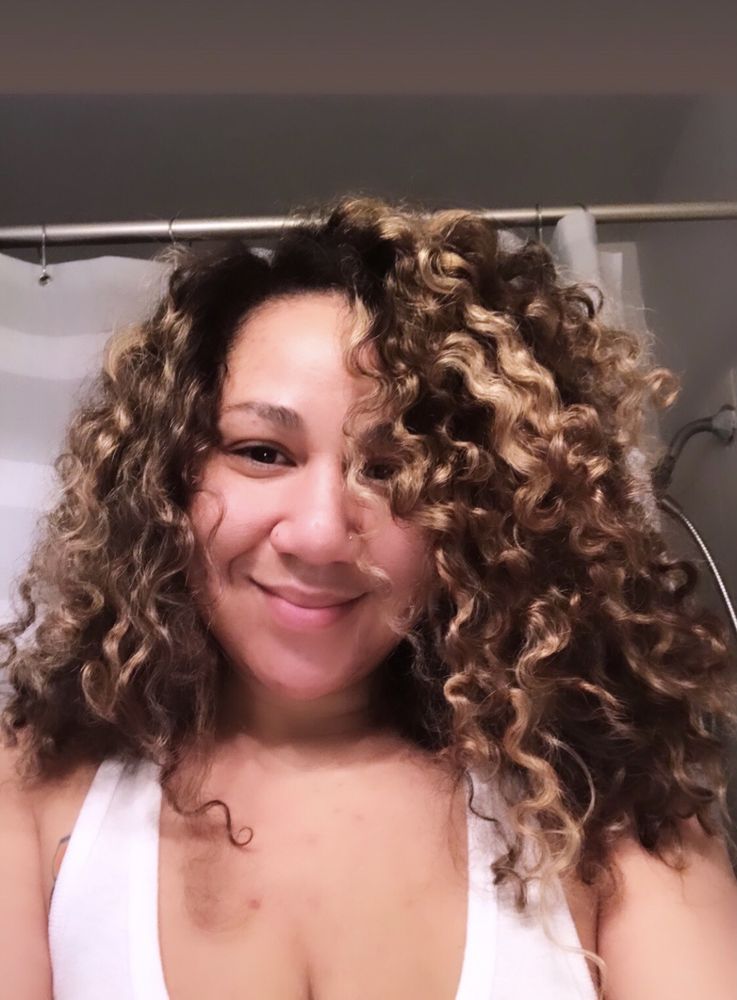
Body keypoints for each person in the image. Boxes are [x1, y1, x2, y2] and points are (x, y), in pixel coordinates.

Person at [1, 194, 736, 1000]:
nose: (320, 535)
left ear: (485, 511)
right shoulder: (33, 785)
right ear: (167, 480)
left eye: (392, 470)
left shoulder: (611, 813)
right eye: (262, 452)